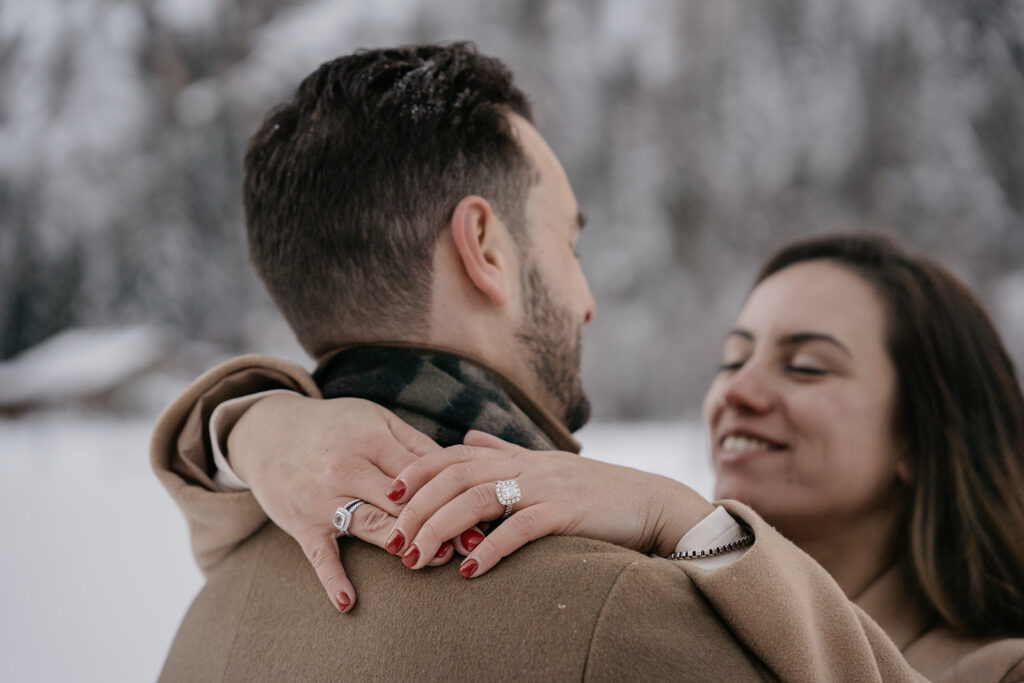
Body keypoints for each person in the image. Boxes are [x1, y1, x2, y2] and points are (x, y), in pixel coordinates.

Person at [154, 42, 884, 681]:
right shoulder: (627, 615)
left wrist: (248, 420)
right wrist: (687, 522)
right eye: (567, 245)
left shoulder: (207, 611)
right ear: (486, 248)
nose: (587, 300)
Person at [156, 234, 1024, 681]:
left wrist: (685, 516)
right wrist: (254, 423)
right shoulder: (660, 589)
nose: (740, 391)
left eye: (805, 364)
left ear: (922, 430)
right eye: (732, 357)